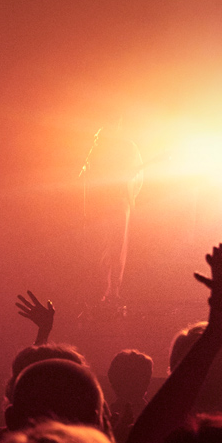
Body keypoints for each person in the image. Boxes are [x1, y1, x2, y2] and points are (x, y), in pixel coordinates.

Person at [80, 119, 143, 314]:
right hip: (101, 204)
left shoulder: (128, 147)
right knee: (101, 249)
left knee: (117, 248)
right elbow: (87, 177)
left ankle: (113, 292)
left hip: (118, 202)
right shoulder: (97, 147)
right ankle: (101, 291)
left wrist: (127, 187)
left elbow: (137, 175)